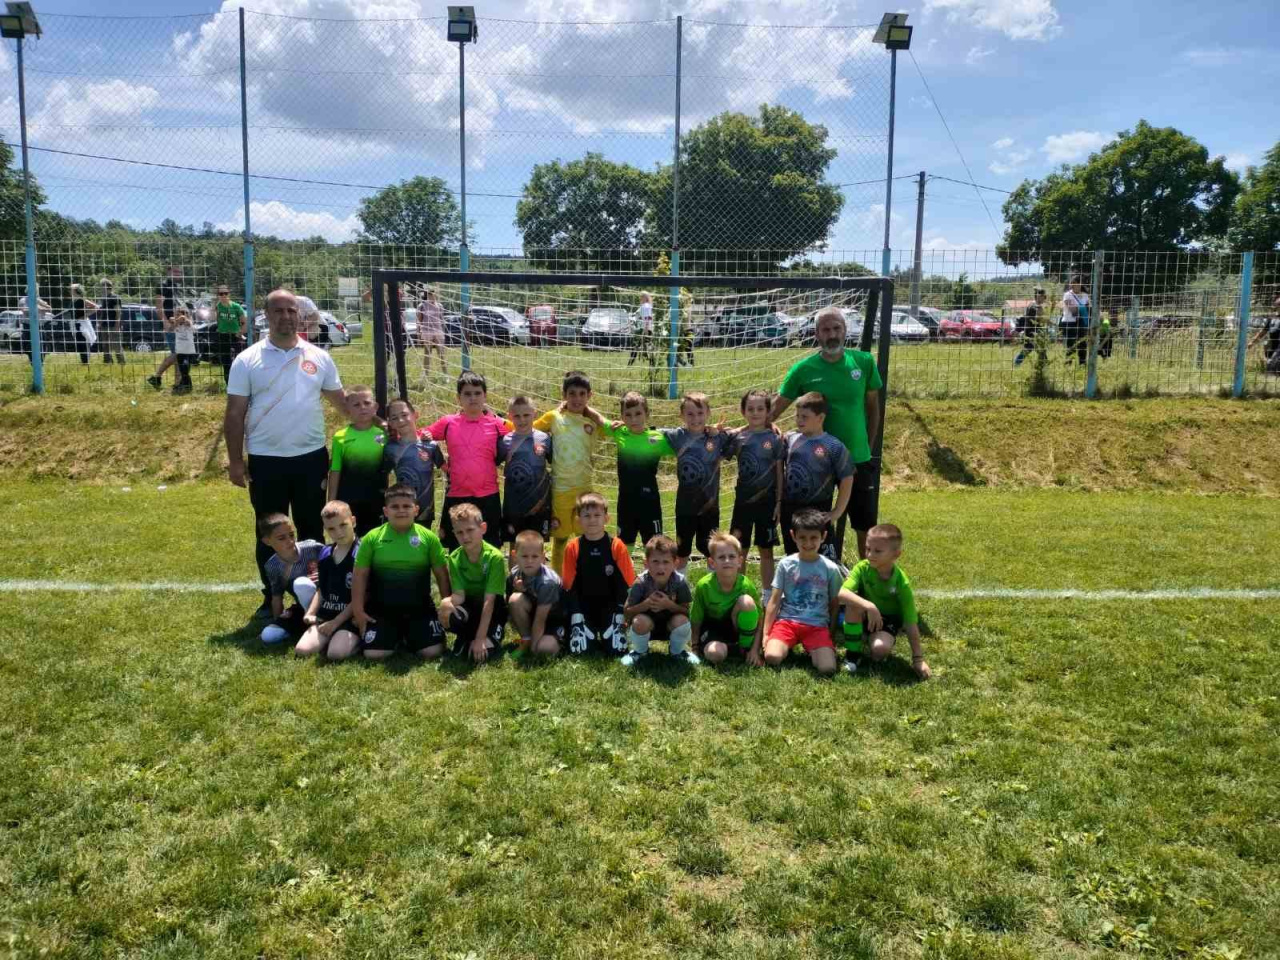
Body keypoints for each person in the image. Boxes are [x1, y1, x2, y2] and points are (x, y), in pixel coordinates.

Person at [224, 287, 346, 619]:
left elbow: (342, 402)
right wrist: (235, 461)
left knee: (311, 530)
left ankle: (315, 596)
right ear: (266, 316)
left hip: (311, 459)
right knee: (269, 532)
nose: (286, 316)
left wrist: (380, 422)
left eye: (291, 310)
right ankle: (272, 595)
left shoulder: (318, 357)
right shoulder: (247, 360)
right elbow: (234, 414)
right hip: (266, 461)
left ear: (300, 315)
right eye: (278, 311)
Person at [773, 306, 882, 560]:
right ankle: (807, 570)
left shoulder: (864, 362)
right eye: (825, 329)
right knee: (813, 523)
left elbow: (873, 409)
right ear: (816, 334)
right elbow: (775, 410)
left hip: (856, 457)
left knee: (864, 524)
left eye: (836, 328)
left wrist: (867, 445)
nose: (832, 334)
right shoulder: (803, 369)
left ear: (845, 330)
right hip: (815, 465)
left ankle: (866, 574)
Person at [351, 484, 451, 660]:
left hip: (419, 609)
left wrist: (446, 607)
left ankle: (407, 635)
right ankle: (397, 636)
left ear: (416, 510)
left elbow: (442, 576)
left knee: (432, 652)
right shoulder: (371, 538)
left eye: (406, 506)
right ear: (386, 511)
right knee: (374, 654)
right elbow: (359, 576)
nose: (401, 510)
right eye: (395, 506)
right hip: (382, 610)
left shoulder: (429, 538)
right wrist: (358, 611)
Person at [427, 371, 510, 549]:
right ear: (458, 398)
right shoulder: (448, 422)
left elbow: (523, 433)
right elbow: (420, 436)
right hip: (458, 494)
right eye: (467, 394)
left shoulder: (497, 424)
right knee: (457, 548)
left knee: (490, 547)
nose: (473, 398)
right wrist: (440, 462)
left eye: (477, 393)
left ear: (485, 396)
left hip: (488, 495)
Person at [758, 508, 844, 676]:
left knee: (827, 668)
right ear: (793, 536)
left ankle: (815, 648)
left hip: (817, 625)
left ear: (823, 536)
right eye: (802, 537)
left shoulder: (831, 569)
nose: (808, 543)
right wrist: (766, 634)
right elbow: (774, 601)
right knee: (772, 657)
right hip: (787, 622)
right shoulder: (785, 564)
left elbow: (835, 605)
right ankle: (784, 644)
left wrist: (831, 634)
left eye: (814, 538)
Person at [533, 371, 606, 572]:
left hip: (585, 490)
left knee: (586, 537)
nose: (577, 398)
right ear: (564, 395)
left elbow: (612, 430)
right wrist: (501, 422)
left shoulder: (592, 422)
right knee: (560, 539)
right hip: (561, 490)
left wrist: (593, 414)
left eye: (582, 394)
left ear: (589, 396)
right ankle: (558, 579)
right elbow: (528, 428)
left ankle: (585, 576)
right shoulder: (554, 417)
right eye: (572, 393)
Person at [839, 523, 930, 679]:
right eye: (868, 548)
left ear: (896, 554)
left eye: (877, 551)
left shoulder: (902, 583)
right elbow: (842, 593)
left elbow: (910, 622)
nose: (870, 555)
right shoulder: (862, 568)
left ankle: (866, 637)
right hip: (866, 613)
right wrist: (870, 606)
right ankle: (853, 654)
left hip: (887, 621)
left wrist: (918, 659)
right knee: (853, 603)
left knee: (879, 650)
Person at [780, 392, 854, 562]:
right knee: (794, 559)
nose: (799, 420)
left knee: (825, 562)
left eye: (805, 417)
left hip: (819, 511)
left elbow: (847, 477)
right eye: (797, 416)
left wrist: (837, 511)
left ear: (820, 418)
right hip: (791, 510)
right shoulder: (790, 439)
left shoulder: (833, 446)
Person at [662, 392, 732, 570]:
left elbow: (740, 435)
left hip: (710, 507)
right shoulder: (677, 436)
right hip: (685, 507)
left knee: (711, 550)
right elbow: (649, 432)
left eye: (700, 413)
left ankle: (713, 584)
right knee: (682, 551)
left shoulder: (717, 438)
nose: (695, 418)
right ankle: (679, 584)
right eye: (690, 414)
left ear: (708, 413)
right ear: (682, 415)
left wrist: (719, 430)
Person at [726, 388, 784, 602]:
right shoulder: (737, 437)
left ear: (768, 412)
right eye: (750, 409)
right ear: (743, 411)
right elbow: (719, 450)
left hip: (767, 503)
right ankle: (738, 592)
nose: (755, 412)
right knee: (740, 548)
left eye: (760, 408)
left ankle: (768, 597)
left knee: (766, 550)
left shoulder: (775, 438)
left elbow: (780, 473)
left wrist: (779, 501)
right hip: (743, 503)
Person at [563, 492, 636, 656]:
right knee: (581, 651)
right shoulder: (573, 547)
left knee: (617, 650)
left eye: (597, 515)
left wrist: (620, 612)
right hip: (583, 607)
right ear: (578, 520)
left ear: (606, 518)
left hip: (611, 606)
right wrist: (575, 612)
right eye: (586, 515)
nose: (592, 520)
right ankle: (581, 627)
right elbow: (568, 585)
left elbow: (628, 583)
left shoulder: (617, 546)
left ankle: (611, 628)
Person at [601, 391, 674, 548]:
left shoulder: (658, 438)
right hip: (626, 502)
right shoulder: (619, 432)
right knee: (624, 546)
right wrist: (584, 408)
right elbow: (599, 420)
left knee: (655, 547)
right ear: (621, 416)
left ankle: (653, 566)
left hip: (650, 503)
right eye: (628, 415)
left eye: (638, 413)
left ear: (647, 413)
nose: (633, 419)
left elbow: (685, 443)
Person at [438, 502, 508, 663]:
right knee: (449, 613)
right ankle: (466, 637)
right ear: (454, 534)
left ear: (483, 528)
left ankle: (481, 637)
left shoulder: (494, 557)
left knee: (482, 655)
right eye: (459, 532)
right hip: (470, 606)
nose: (465, 537)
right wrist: (446, 602)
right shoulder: (454, 558)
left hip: (493, 610)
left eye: (470, 530)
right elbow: (459, 596)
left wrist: (481, 639)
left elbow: (489, 601)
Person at [295, 500, 362, 660]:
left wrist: (336, 622)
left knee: (335, 654)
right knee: (302, 650)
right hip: (326, 615)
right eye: (331, 528)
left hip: (350, 617)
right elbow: (321, 589)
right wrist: (311, 613)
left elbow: (363, 595)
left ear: (353, 521)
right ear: (325, 529)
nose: (338, 532)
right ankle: (332, 638)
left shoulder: (362, 553)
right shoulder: (325, 553)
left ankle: (358, 641)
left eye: (343, 525)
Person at [621, 534, 697, 667]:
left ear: (675, 563)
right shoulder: (640, 583)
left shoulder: (680, 582)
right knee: (639, 621)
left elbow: (686, 612)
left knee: (682, 621)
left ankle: (677, 652)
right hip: (647, 627)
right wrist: (645, 604)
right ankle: (640, 652)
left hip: (670, 627)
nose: (660, 567)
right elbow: (627, 612)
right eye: (655, 561)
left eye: (666, 562)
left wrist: (669, 605)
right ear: (646, 563)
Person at [690, 532, 762, 666]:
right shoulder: (704, 586)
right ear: (712, 562)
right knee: (715, 654)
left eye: (732, 556)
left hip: (736, 628)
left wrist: (755, 650)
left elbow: (759, 620)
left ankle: (745, 647)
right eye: (721, 557)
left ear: (739, 561)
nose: (727, 561)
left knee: (746, 602)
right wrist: (694, 647)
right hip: (713, 629)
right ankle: (734, 650)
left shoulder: (746, 585)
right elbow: (696, 620)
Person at [327, 385, 387, 536]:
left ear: (375, 407)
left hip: (376, 498)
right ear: (347, 409)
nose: (362, 408)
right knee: (349, 538)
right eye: (356, 405)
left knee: (374, 538)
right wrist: (331, 501)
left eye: (367, 403)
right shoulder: (340, 437)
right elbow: (335, 470)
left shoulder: (384, 434)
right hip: (348, 499)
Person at [497, 395, 554, 554]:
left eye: (526, 415)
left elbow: (554, 464)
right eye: (517, 416)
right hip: (514, 505)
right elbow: (492, 462)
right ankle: (514, 571)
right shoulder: (505, 441)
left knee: (538, 545)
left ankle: (538, 571)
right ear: (510, 417)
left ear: (534, 414)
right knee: (515, 546)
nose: (522, 420)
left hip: (539, 504)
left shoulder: (545, 439)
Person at [257, 512, 324, 646]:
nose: (290, 541)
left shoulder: (312, 547)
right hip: (303, 607)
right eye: (281, 538)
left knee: (301, 584)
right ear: (267, 541)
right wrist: (278, 621)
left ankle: (316, 623)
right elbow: (277, 597)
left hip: (330, 601)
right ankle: (306, 625)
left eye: (292, 535)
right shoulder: (272, 566)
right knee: (268, 635)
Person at [382, 397, 446, 527]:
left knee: (421, 539)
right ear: (391, 423)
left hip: (425, 511)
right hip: (401, 510)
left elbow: (447, 469)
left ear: (415, 415)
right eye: (394, 418)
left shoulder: (431, 446)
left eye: (404, 415)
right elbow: (382, 475)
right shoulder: (390, 448)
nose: (400, 420)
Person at [507, 530, 565, 659]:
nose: (529, 561)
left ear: (543, 557)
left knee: (543, 648)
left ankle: (560, 642)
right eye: (524, 556)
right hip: (535, 615)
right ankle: (526, 640)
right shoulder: (515, 573)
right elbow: (510, 606)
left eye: (534, 556)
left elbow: (540, 618)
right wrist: (519, 590)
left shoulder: (548, 582)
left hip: (554, 620)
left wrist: (533, 652)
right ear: (514, 555)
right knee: (515, 600)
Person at [147, 269, 181, 389]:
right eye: (175, 272)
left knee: (178, 354)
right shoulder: (163, 285)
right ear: (168, 272)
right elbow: (159, 306)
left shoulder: (176, 287)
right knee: (177, 353)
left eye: (179, 272)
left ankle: (177, 382)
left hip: (179, 325)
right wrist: (165, 323)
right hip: (170, 325)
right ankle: (157, 376)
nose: (178, 274)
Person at [213, 284, 247, 383]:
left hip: (235, 336)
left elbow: (244, 322)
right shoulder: (218, 306)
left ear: (229, 294)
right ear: (218, 295)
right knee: (226, 362)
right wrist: (213, 306)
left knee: (238, 360)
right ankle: (229, 384)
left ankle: (240, 382)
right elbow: (212, 319)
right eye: (221, 294)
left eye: (226, 293)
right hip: (223, 336)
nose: (223, 295)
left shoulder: (236, 306)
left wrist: (240, 333)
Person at [1012, 286, 1048, 368]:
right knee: (1030, 350)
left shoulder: (1032, 304)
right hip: (1032, 333)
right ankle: (1016, 364)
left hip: (1032, 331)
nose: (1045, 299)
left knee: (1036, 350)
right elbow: (1041, 318)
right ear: (1039, 296)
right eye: (1044, 296)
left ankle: (1044, 366)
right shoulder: (1035, 306)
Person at [1061, 274, 1091, 366]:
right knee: (1071, 346)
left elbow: (1089, 310)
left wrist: (1083, 309)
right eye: (1072, 283)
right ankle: (1068, 365)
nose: (1072, 285)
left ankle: (1082, 365)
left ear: (1080, 284)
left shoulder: (1085, 296)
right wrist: (1083, 308)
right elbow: (1073, 311)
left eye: (1075, 283)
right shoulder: (1067, 295)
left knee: (1083, 345)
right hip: (1069, 323)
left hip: (1082, 323)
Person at [418, 285, 447, 377]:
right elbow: (419, 321)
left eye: (433, 294)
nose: (431, 296)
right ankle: (426, 375)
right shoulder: (422, 305)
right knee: (427, 353)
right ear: (427, 295)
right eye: (429, 294)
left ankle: (445, 375)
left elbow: (442, 320)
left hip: (438, 331)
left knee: (441, 353)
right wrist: (419, 335)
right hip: (427, 332)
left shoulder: (440, 306)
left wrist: (443, 332)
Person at [1248, 294, 1280, 374]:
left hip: (1278, 353)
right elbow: (1262, 333)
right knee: (1270, 368)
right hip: (1272, 350)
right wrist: (1252, 343)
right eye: (1278, 304)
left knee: (1272, 367)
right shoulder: (1272, 319)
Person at [97, 279, 125, 365]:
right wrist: (99, 323)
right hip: (104, 325)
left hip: (113, 325)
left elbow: (118, 312)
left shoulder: (115, 297)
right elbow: (103, 312)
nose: (101, 288)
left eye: (102, 286)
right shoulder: (104, 298)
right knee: (105, 345)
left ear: (107, 287)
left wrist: (117, 325)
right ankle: (107, 362)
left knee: (116, 345)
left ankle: (121, 362)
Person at [68, 283, 98, 365]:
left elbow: (95, 307)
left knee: (83, 342)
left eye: (71, 289)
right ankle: (84, 361)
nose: (69, 290)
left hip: (82, 324)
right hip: (75, 324)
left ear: (75, 290)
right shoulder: (73, 300)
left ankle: (86, 362)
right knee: (79, 343)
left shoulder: (81, 300)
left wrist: (85, 315)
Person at [171, 306, 197, 394]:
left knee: (185, 367)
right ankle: (185, 385)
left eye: (180, 314)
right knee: (183, 370)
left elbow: (190, 325)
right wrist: (177, 321)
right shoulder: (175, 323)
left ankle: (186, 385)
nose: (179, 316)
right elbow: (170, 328)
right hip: (180, 351)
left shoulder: (189, 322)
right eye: (177, 314)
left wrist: (184, 319)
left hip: (189, 351)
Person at [627, 291, 654, 366]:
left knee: (639, 347)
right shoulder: (645, 306)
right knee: (645, 347)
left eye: (641, 296)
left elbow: (648, 318)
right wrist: (631, 320)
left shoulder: (646, 306)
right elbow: (637, 316)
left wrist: (646, 329)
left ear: (645, 298)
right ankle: (652, 364)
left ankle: (630, 364)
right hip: (646, 329)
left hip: (644, 329)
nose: (640, 298)